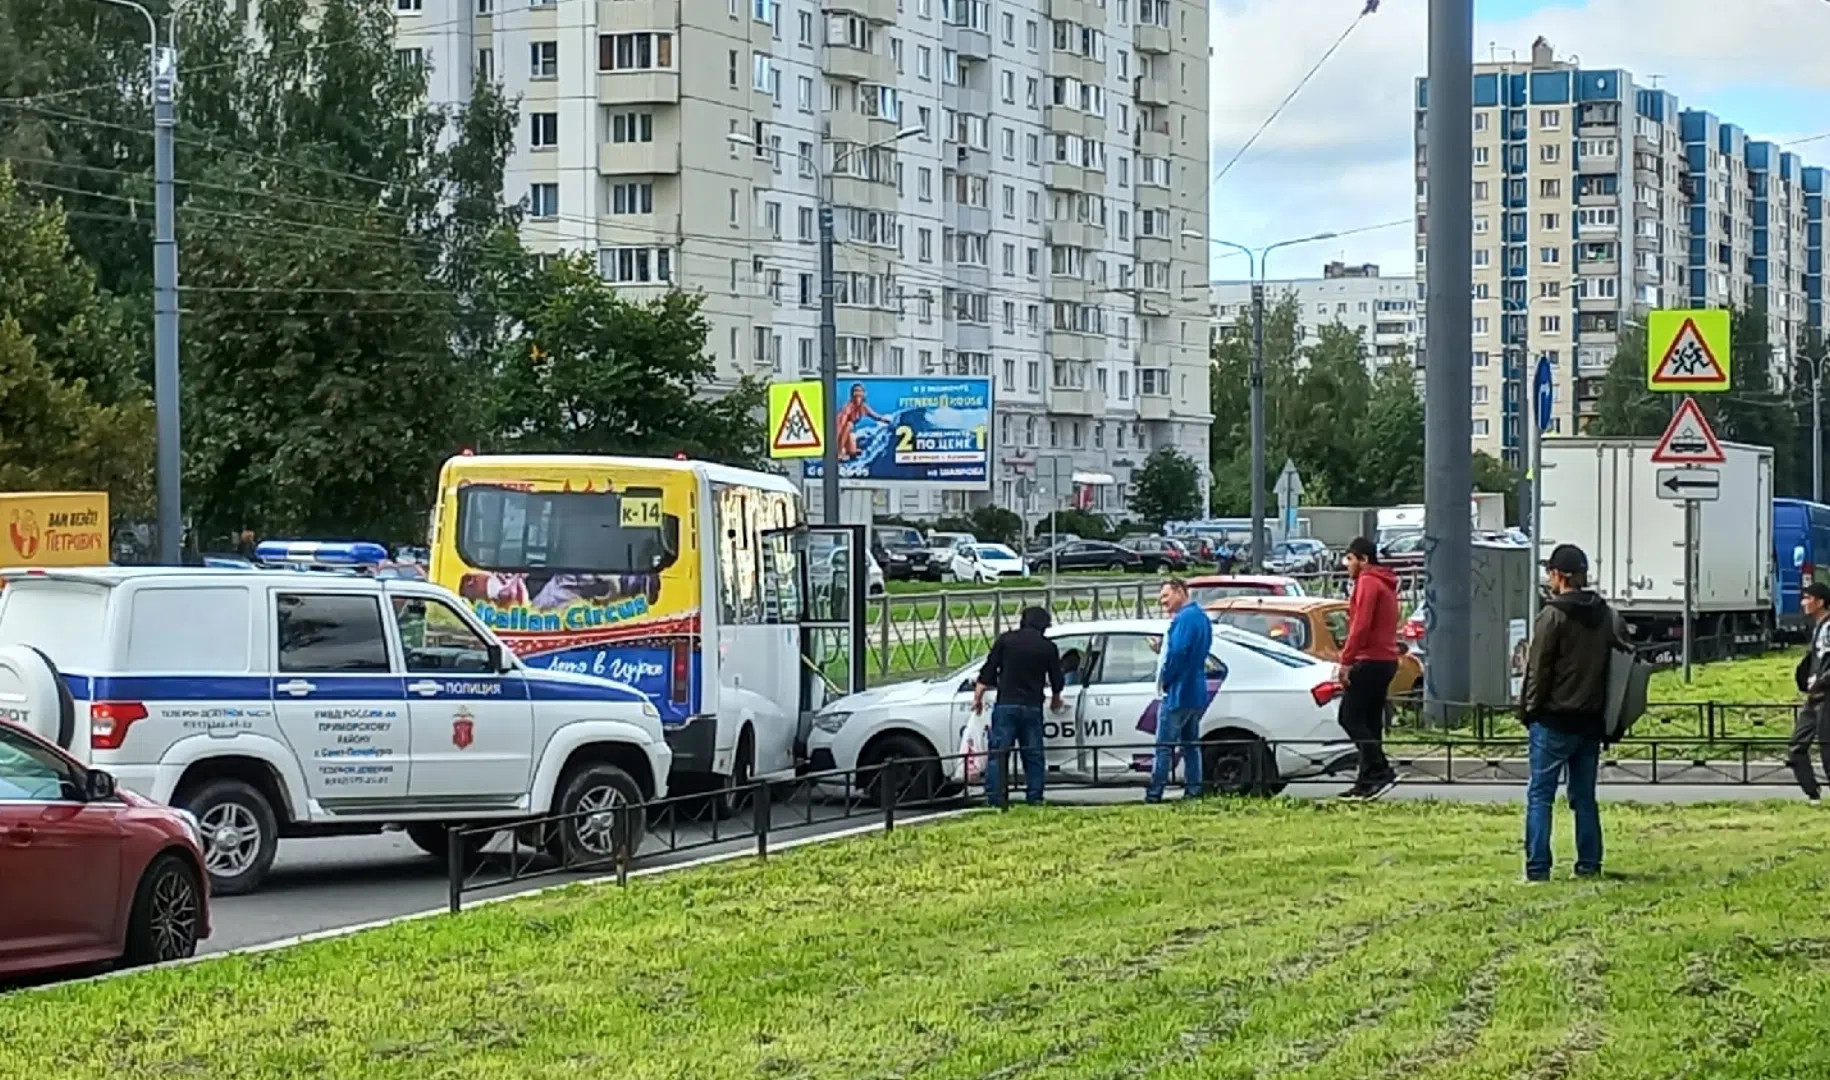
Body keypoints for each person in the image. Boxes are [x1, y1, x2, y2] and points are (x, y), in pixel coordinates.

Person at [1519, 543, 1626, 882]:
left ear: (1558, 575)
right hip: (1591, 720)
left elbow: (1538, 670)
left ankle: (1538, 868)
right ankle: (1589, 863)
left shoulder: (1553, 615)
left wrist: (1529, 711)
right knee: (1584, 797)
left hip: (1553, 719)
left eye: (1550, 573)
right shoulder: (1605, 614)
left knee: (1541, 795)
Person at [972, 606, 1065, 808]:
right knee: (1033, 754)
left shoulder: (1006, 640)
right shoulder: (1047, 647)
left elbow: (989, 669)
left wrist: (978, 695)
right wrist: (1056, 697)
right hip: (1032, 706)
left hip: (1006, 703)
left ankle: (996, 798)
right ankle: (1035, 796)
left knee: (999, 752)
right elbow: (1057, 678)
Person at [1337, 536, 1402, 801]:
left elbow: (1360, 626)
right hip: (1386, 659)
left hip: (1370, 659)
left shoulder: (1367, 583)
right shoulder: (1384, 583)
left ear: (1363, 560)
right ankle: (1366, 781)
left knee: (1349, 717)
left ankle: (1380, 769)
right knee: (1370, 722)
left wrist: (1346, 660)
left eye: (1350, 559)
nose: (1347, 565)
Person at [1147, 578, 1213, 803]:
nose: (1162, 601)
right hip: (1195, 690)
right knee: (1191, 745)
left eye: (1165, 596)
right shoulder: (1201, 618)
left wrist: (1166, 679)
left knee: (1164, 746)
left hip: (1178, 691)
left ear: (1179, 592)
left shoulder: (1184, 619)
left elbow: (1178, 653)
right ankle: (1194, 789)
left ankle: (1155, 792)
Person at [1789, 582, 1830, 805]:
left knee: (1827, 748)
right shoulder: (1818, 627)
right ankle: (1812, 793)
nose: (1803, 603)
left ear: (1820, 602)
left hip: (1827, 695)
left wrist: (1821, 682)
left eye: (1807, 598)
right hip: (1814, 696)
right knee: (1797, 745)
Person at [835, 383, 886, 462]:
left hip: (848, 434)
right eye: (856, 391)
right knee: (849, 424)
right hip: (838, 433)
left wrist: (888, 421)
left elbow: (875, 416)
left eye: (860, 391)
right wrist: (837, 448)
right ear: (852, 394)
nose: (858, 393)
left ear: (863, 394)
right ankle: (840, 451)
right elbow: (840, 425)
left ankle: (849, 449)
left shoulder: (863, 407)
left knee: (853, 452)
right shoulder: (848, 407)